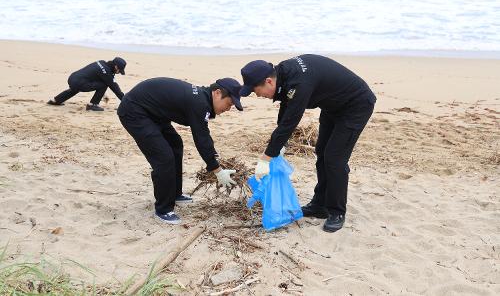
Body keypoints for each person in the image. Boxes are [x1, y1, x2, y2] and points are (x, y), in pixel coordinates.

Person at [239, 54, 376, 233]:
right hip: (332, 106)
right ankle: (320, 205)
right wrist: (279, 145)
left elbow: (291, 121)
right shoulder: (284, 75)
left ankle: (336, 211)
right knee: (322, 152)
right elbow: (286, 108)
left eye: (257, 91)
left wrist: (267, 157)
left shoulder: (299, 83)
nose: (258, 95)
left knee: (335, 158)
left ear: (268, 81)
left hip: (356, 105)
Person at [117, 77, 243, 224]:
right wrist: (217, 170)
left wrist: (214, 157)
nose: (228, 109)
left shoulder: (202, 99)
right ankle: (163, 209)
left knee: (176, 144)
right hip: (135, 112)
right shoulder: (200, 103)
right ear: (217, 93)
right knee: (164, 158)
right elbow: (201, 138)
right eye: (229, 103)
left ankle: (175, 194)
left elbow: (204, 133)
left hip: (154, 114)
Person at [47, 57, 127, 111]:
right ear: (116, 67)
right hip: (80, 83)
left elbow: (98, 78)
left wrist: (103, 95)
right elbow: (115, 88)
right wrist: (126, 101)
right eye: (119, 70)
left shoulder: (101, 62)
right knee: (105, 84)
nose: (119, 72)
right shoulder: (107, 73)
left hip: (73, 78)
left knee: (76, 88)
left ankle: (56, 100)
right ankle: (93, 105)